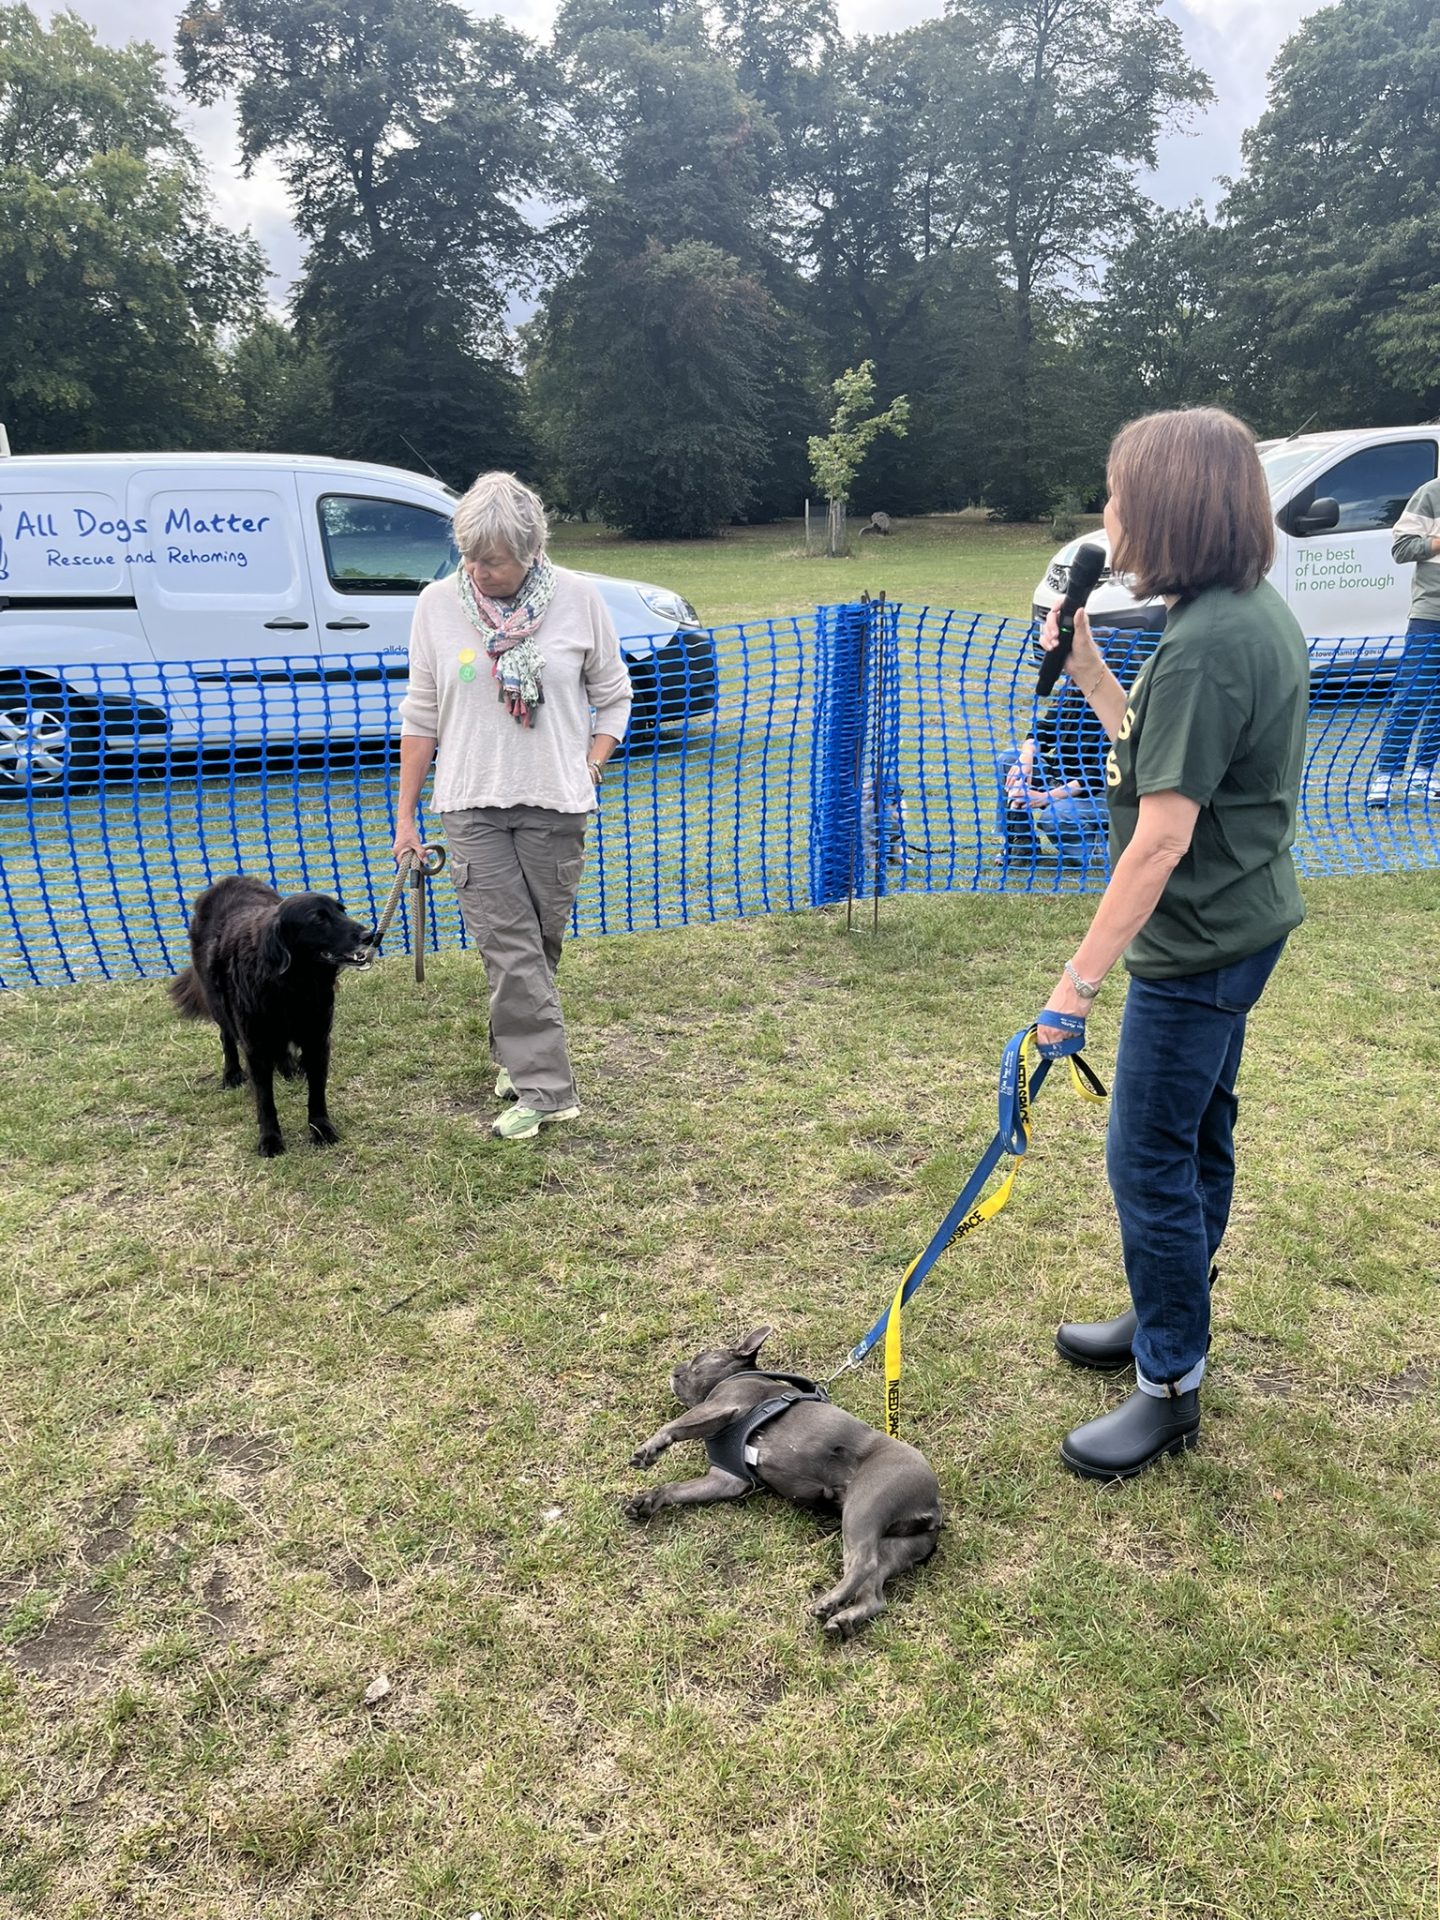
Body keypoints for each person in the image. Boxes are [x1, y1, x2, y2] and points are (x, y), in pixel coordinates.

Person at [1033, 408, 1309, 1481]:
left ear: (1169, 507)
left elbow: (1160, 837)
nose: (1106, 515)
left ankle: (1169, 1384)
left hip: (1199, 942)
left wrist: (1076, 984)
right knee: (1195, 1138)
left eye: (1117, 495)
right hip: (1239, 923)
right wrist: (1093, 672)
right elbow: (1160, 758)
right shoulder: (1232, 613)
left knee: (1149, 1153)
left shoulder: (1206, 645)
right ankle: (1166, 1312)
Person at [392, 471, 632, 1141]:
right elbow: (421, 715)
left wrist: (591, 763)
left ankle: (517, 1058)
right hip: (470, 806)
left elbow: (614, 696)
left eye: (493, 559)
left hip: (557, 805)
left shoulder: (579, 599)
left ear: (531, 550)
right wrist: (406, 817)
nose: (478, 571)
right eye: (469, 556)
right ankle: (548, 1092)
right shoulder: (436, 605)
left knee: (537, 946)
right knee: (509, 947)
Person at [997, 633, 1154, 869]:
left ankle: (1099, 847)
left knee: (1055, 815)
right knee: (1009, 759)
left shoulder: (1123, 707)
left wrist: (1045, 797)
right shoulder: (1072, 692)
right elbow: (1044, 729)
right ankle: (1021, 844)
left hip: (1103, 793)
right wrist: (1026, 757)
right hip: (1063, 776)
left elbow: (1097, 775)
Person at [1366, 473, 1440, 808]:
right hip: (1430, 614)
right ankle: (1386, 775)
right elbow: (1401, 548)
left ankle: (1423, 773)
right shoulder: (1431, 493)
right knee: (1412, 695)